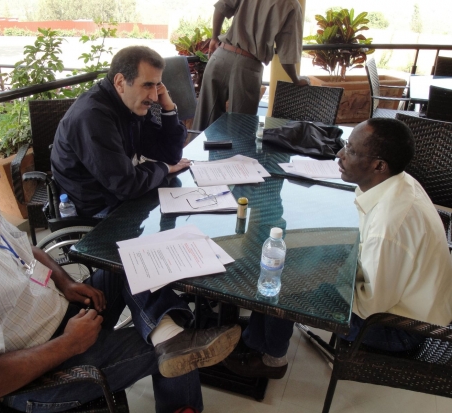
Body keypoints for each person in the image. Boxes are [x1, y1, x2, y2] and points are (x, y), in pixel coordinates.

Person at [0, 121, 241, 413]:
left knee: (131, 261)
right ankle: (174, 358)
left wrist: (63, 281)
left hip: (62, 316)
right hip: (38, 378)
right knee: (168, 347)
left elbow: (27, 249)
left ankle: (169, 336)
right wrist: (69, 343)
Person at [223, 118, 452, 378]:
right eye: (345, 145)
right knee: (288, 267)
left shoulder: (389, 227)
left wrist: (327, 276)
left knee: (282, 284)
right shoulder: (399, 183)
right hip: (408, 301)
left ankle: (271, 360)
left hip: (402, 329)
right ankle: (255, 340)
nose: (340, 155)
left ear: (379, 165)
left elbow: (370, 306)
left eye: (352, 151)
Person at [51, 45, 191, 218]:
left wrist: (168, 108)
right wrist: (163, 168)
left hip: (118, 196)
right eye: (147, 85)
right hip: (95, 210)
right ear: (120, 82)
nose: (154, 97)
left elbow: (170, 155)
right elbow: (126, 185)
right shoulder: (92, 117)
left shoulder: (130, 104)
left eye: (157, 86)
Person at [192, 0, 310, 131]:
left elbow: (221, 7)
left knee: (202, 125)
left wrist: (214, 38)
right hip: (247, 66)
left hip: (220, 56)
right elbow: (287, 56)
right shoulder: (291, 5)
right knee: (239, 131)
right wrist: (296, 79)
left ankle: (194, 152)